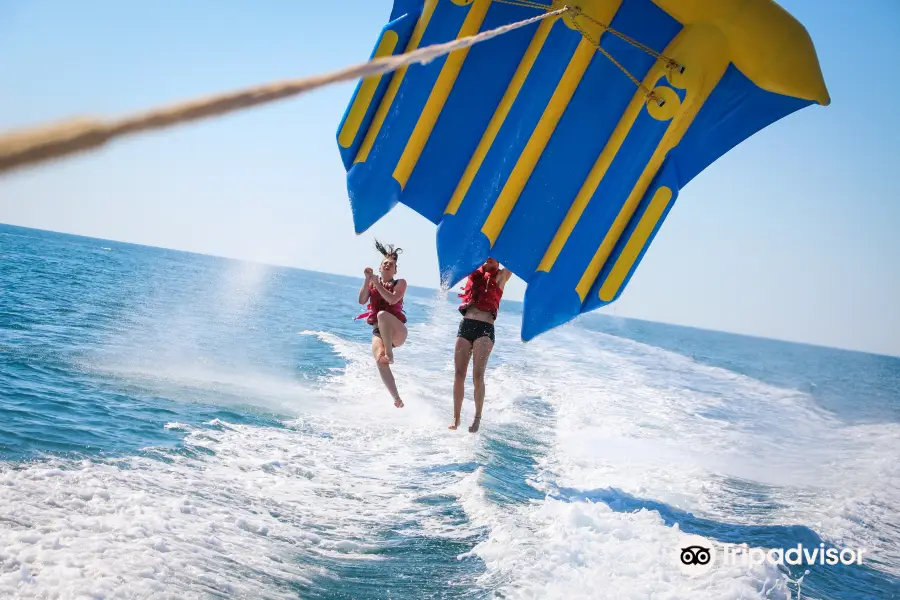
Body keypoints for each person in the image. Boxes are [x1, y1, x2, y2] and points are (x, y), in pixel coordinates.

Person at [449, 257, 512, 433]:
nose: (489, 259)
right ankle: (456, 416)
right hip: (465, 326)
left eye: (494, 258)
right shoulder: (473, 272)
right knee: (459, 374)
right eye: (487, 257)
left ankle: (477, 418)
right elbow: (466, 255)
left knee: (478, 375)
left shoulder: (501, 277)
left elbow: (514, 262)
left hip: (485, 329)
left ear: (498, 263)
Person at [356, 240, 408, 408]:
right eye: (384, 263)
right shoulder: (372, 282)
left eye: (391, 264)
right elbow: (362, 300)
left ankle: (390, 353)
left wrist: (377, 284)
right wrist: (367, 280)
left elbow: (392, 299)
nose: (387, 265)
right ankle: (396, 398)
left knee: (382, 315)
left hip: (396, 331)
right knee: (380, 359)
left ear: (395, 270)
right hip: (379, 331)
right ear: (379, 268)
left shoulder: (400, 283)